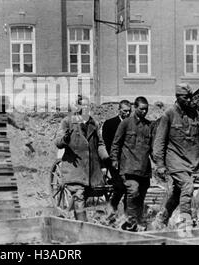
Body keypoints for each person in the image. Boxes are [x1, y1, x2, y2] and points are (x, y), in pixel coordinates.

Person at [152, 83, 199, 230]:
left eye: (190, 97)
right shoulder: (169, 115)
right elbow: (159, 141)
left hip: (191, 161)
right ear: (178, 97)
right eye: (186, 97)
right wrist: (160, 164)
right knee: (187, 186)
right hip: (174, 161)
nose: (189, 100)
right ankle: (185, 221)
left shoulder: (194, 113)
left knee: (177, 193)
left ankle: (161, 219)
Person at [54, 95, 109, 222]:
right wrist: (65, 139)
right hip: (75, 168)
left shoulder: (94, 123)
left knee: (84, 198)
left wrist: (106, 157)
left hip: (91, 170)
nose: (85, 108)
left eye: (88, 106)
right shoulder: (67, 122)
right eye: (83, 105)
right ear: (77, 107)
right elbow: (58, 142)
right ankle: (83, 227)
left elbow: (100, 143)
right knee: (79, 197)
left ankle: (77, 224)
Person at [109, 97, 153, 232]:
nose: (144, 111)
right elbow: (116, 143)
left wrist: (159, 163)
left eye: (146, 109)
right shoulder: (126, 124)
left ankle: (137, 221)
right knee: (133, 192)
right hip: (128, 167)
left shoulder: (149, 125)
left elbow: (152, 147)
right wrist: (114, 160)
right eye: (141, 109)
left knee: (141, 196)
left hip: (144, 169)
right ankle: (130, 224)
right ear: (135, 107)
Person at [100, 100, 131, 222]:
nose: (127, 114)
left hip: (129, 161)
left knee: (130, 187)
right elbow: (106, 144)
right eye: (125, 111)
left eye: (129, 111)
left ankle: (127, 215)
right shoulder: (110, 123)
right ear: (119, 110)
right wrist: (113, 160)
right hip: (114, 160)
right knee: (120, 186)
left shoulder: (132, 123)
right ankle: (111, 209)